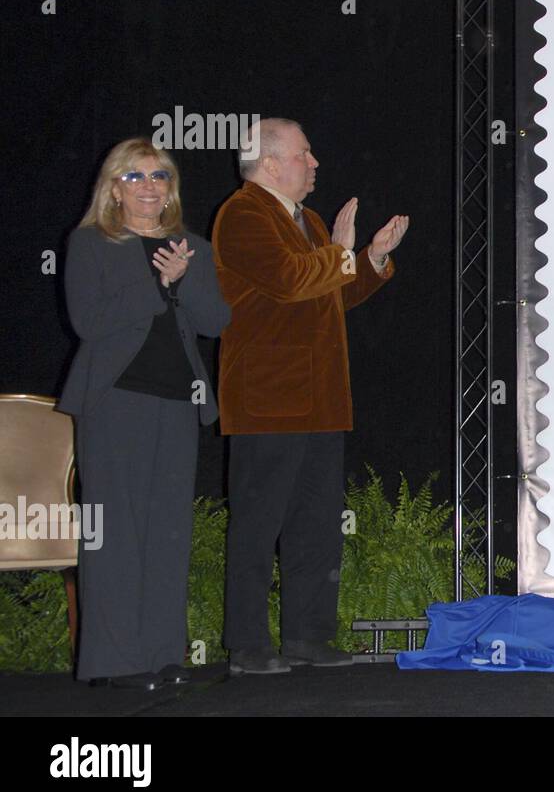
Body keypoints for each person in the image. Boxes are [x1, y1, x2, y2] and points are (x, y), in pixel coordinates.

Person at [212, 118, 408, 674]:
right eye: (304, 153)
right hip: (268, 400)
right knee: (257, 523)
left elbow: (331, 295)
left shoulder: (310, 219)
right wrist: (341, 255)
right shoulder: (243, 213)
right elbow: (291, 279)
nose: (315, 162)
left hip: (319, 398)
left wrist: (368, 258)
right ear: (271, 164)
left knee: (318, 523)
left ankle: (307, 635)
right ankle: (247, 646)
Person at [58, 137, 230, 689]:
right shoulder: (90, 243)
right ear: (114, 187)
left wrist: (182, 279)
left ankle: (162, 657)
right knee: (114, 536)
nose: (150, 186)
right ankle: (113, 664)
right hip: (114, 404)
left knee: (168, 534)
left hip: (180, 404)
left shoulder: (190, 245)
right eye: (136, 177)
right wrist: (157, 282)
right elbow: (90, 321)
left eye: (160, 176)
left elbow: (215, 321)